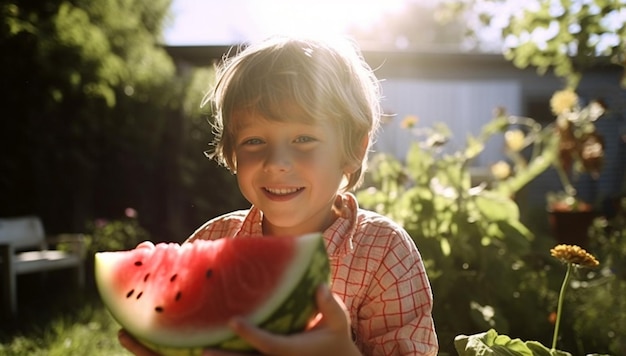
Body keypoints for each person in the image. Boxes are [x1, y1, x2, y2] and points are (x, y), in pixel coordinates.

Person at [118, 35, 438, 356]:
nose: (276, 163)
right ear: (232, 153)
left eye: (303, 138)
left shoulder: (384, 252)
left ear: (354, 149)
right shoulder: (213, 240)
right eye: (254, 141)